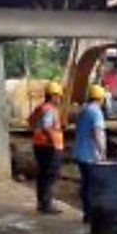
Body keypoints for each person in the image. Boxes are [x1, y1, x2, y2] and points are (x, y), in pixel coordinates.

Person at [28, 81, 65, 214]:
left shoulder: (40, 108)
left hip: (39, 145)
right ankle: (47, 205)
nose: (60, 99)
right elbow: (46, 126)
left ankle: (41, 203)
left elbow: (31, 121)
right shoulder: (50, 109)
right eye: (59, 96)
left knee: (42, 174)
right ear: (53, 96)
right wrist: (52, 142)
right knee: (50, 176)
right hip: (49, 147)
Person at [73, 84, 107, 222]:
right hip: (90, 155)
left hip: (80, 153)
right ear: (101, 99)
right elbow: (97, 133)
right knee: (93, 186)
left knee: (86, 184)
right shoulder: (96, 112)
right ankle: (92, 216)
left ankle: (87, 214)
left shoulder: (83, 110)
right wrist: (102, 152)